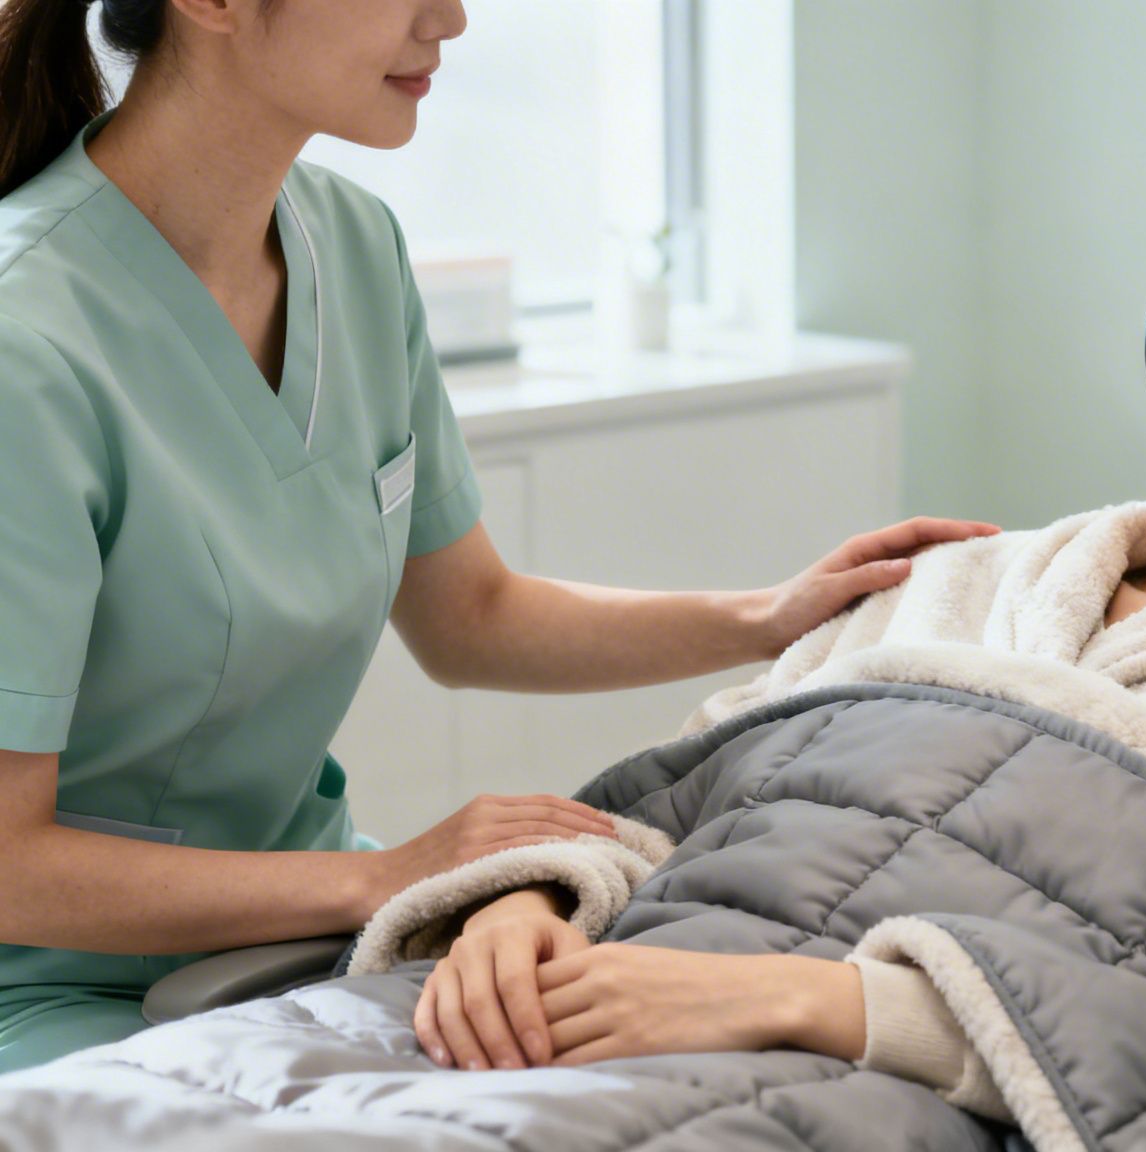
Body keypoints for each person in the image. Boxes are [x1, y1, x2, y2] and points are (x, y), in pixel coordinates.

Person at [395, 107, 1146, 1123]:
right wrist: (526, 905)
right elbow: (688, 800)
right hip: (572, 1024)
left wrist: (821, 1001)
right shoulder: (964, 575)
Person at [0, 0, 996, 1073]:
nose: (453, 18)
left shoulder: (354, 246)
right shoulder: (28, 341)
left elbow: (468, 616)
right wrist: (385, 877)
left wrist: (767, 618)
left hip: (317, 942)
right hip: (66, 999)